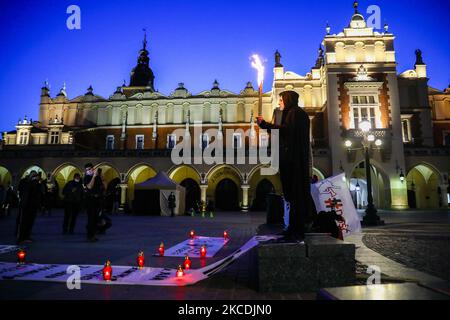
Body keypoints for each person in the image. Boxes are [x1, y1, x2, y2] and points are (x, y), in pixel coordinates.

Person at [257, 90, 313, 242]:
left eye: (281, 100)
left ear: (288, 100)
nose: (279, 103)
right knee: (292, 196)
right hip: (291, 159)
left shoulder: (295, 113)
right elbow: (285, 132)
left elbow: (286, 131)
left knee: (296, 196)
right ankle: (293, 228)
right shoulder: (292, 113)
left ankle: (297, 230)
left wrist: (265, 125)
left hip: (294, 160)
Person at [16, 171, 42, 244]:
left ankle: (26, 236)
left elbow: (38, 195)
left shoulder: (35, 184)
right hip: (28, 206)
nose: (38, 178)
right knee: (25, 222)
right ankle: (21, 238)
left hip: (32, 206)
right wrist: (24, 205)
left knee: (29, 222)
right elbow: (26, 195)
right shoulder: (30, 184)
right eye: (36, 176)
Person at [83, 163, 104, 242]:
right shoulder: (86, 177)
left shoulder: (98, 177)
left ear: (93, 169)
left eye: (89, 169)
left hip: (97, 200)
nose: (88, 171)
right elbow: (89, 186)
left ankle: (93, 235)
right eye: (87, 170)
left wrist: (101, 178)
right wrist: (93, 177)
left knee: (96, 219)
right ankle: (90, 236)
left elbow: (102, 187)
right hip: (90, 200)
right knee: (90, 219)